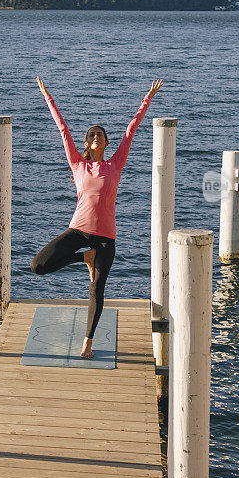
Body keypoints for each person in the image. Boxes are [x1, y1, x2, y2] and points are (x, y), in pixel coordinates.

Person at [30, 76, 163, 358]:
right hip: (78, 230)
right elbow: (63, 129)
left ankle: (87, 342)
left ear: (105, 143)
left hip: (105, 237)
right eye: (91, 135)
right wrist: (47, 96)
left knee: (96, 290)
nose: (96, 137)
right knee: (38, 266)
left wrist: (146, 99)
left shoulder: (115, 163)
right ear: (87, 144)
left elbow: (131, 130)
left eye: (100, 134)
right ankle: (84, 258)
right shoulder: (78, 164)